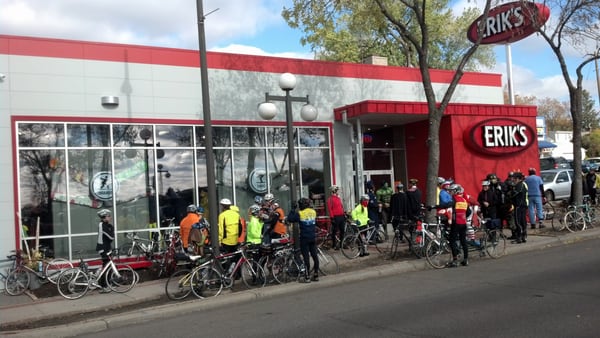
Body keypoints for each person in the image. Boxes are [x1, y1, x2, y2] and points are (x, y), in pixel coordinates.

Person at [297, 197, 319, 282]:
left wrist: (293, 209)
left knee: (306, 258)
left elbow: (291, 218)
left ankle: (307, 276)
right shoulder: (313, 212)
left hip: (304, 238)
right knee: (314, 256)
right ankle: (316, 274)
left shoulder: (300, 213)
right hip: (312, 237)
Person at [447, 184, 469, 267]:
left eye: (452, 191)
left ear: (456, 191)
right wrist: (462, 216)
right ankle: (466, 260)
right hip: (463, 223)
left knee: (452, 240)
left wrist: (434, 206)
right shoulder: (463, 200)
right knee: (463, 241)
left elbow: (447, 205)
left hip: (456, 223)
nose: (450, 192)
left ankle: (455, 260)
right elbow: (469, 211)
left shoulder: (454, 199)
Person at [95, 209, 114, 293]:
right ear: (104, 217)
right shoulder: (102, 225)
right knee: (106, 267)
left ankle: (108, 283)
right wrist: (111, 229)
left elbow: (110, 237)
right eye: (108, 216)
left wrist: (111, 228)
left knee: (108, 266)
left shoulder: (106, 225)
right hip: (103, 249)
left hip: (107, 248)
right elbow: (111, 237)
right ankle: (104, 286)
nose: (110, 217)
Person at [506, 171, 528, 243]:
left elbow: (514, 194)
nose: (513, 180)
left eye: (515, 178)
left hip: (519, 205)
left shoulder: (520, 185)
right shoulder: (521, 185)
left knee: (518, 222)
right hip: (522, 205)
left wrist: (509, 194)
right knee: (522, 221)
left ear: (519, 179)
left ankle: (520, 237)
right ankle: (523, 236)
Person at [326, 185, 346, 250]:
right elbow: (330, 209)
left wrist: (344, 214)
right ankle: (334, 244)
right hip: (335, 217)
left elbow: (341, 207)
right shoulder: (330, 199)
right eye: (337, 190)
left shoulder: (338, 198)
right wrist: (332, 217)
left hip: (341, 216)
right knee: (334, 231)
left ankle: (341, 244)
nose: (338, 192)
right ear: (334, 191)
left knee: (342, 231)